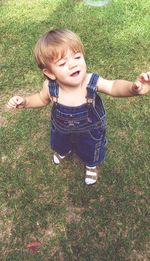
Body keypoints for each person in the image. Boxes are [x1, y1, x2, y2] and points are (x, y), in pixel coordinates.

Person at [7, 29, 150, 185]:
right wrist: (26, 102)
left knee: (91, 148)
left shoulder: (91, 81)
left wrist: (133, 88)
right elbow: (41, 98)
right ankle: (63, 151)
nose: (73, 64)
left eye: (77, 57)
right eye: (62, 63)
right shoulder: (50, 87)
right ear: (50, 73)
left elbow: (113, 86)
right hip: (62, 128)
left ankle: (91, 165)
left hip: (90, 129)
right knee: (60, 142)